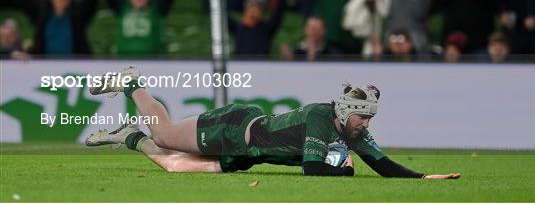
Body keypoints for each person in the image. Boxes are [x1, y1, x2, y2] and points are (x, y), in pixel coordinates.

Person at [85, 66, 460, 179]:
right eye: (363, 114)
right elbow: (313, 170)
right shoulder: (319, 116)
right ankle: (133, 83)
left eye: (369, 117)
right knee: (165, 134)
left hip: (245, 155)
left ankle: (130, 136)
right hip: (233, 127)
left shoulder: (353, 130)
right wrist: (343, 171)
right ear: (345, 110)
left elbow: (383, 165)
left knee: (170, 165)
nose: (366, 123)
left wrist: (424, 178)